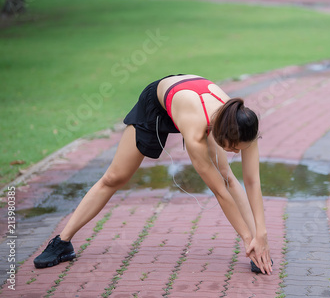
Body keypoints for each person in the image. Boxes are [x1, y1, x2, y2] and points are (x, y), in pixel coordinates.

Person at [34, 74, 273, 275]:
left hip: (194, 100)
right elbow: (219, 192)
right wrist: (245, 237)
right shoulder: (196, 130)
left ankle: (257, 248)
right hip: (158, 103)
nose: (233, 153)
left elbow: (252, 182)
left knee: (228, 175)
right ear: (221, 134)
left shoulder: (243, 123)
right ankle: (62, 242)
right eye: (231, 148)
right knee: (115, 177)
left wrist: (260, 235)